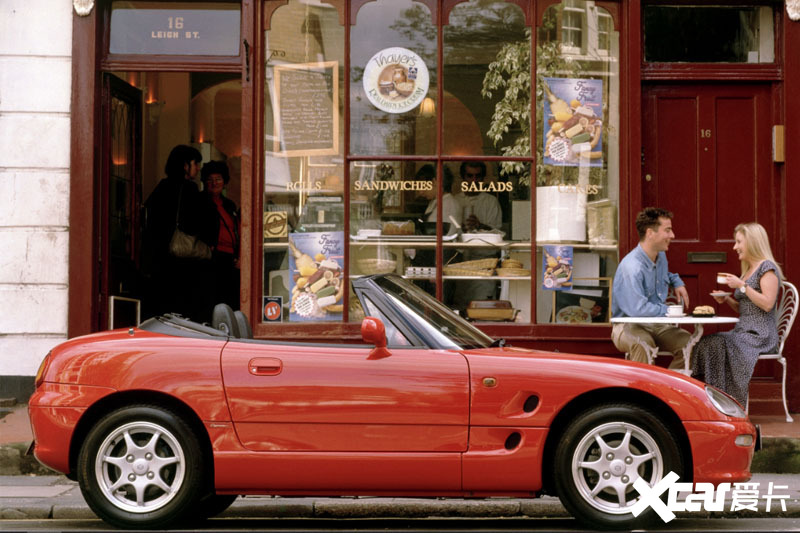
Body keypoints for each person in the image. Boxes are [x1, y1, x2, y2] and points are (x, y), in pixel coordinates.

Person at [692, 222, 783, 406]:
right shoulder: (748, 270)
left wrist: (742, 286)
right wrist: (727, 300)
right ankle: (715, 397)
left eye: (738, 242)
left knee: (716, 342)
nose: (735, 247)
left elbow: (766, 304)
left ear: (752, 242)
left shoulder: (767, 268)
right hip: (743, 332)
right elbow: (747, 308)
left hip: (761, 335)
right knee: (707, 342)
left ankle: (728, 402)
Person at [611, 207, 690, 370]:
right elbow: (637, 310)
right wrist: (669, 311)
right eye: (667, 230)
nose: (672, 235)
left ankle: (669, 389)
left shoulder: (659, 255)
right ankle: (643, 393)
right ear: (650, 233)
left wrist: (676, 281)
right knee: (644, 345)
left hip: (655, 324)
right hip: (627, 326)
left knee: (690, 344)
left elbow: (663, 275)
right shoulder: (632, 267)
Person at [142, 145, 214, 322]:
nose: (198, 168)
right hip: (183, 262)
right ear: (185, 166)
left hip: (160, 262)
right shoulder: (189, 189)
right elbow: (194, 222)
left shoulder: (161, 187)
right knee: (184, 311)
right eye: (195, 163)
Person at [452, 162, 503, 314]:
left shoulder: (490, 201)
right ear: (463, 178)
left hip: (484, 266)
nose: (473, 181)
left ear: (483, 178)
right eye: (469, 176)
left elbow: (499, 233)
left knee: (483, 309)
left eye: (478, 176)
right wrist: (458, 226)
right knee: (460, 310)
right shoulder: (455, 200)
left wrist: (481, 225)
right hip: (459, 264)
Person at [201, 160, 241, 312]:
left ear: (224, 182)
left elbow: (236, 230)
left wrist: (238, 255)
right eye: (210, 180)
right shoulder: (199, 202)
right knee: (213, 299)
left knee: (230, 299)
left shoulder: (229, 204)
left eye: (218, 179)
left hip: (230, 259)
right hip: (212, 258)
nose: (214, 183)